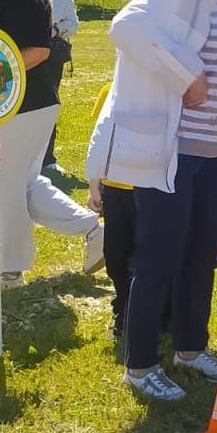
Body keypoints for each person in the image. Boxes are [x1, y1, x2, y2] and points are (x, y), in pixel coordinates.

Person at [88, 0, 217, 400]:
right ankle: (139, 367)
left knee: (200, 252)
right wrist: (187, 73)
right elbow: (126, 28)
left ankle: (189, 348)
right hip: (170, 155)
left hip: (207, 155)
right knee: (158, 257)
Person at [0, 0, 102, 289]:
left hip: (24, 104)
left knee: (7, 186)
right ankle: (95, 233)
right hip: (27, 102)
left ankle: (10, 271)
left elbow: (39, 50)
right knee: (25, 183)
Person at [84, 82, 140, 340]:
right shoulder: (110, 91)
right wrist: (94, 185)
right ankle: (123, 309)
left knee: (143, 257)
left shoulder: (160, 95)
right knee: (116, 256)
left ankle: (147, 314)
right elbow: (99, 137)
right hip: (115, 188)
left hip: (149, 189)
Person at [40, 0, 79, 177]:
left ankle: (48, 160)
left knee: (48, 107)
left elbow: (73, 24)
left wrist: (52, 30)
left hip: (50, 57)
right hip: (18, 55)